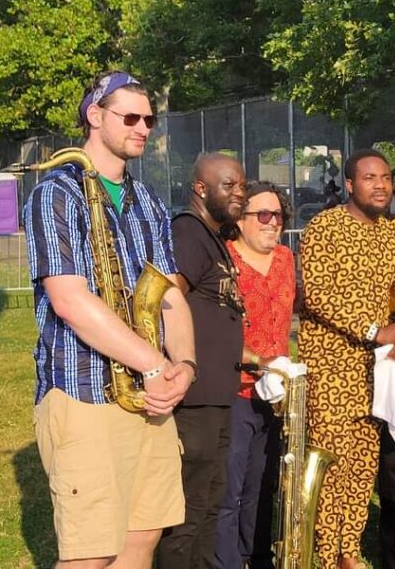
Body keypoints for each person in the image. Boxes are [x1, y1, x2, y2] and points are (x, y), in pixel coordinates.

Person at [24, 70, 197, 568]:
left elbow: (171, 299)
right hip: (83, 393)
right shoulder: (55, 194)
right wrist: (152, 364)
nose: (143, 127)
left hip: (151, 396)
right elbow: (70, 301)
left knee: (141, 540)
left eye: (149, 118)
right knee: (90, 555)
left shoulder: (148, 202)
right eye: (130, 117)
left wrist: (183, 365)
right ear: (94, 117)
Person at [298, 149, 395, 569]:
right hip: (332, 367)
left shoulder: (392, 234)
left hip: (379, 373)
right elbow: (317, 295)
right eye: (370, 178)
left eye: (386, 178)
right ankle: (323, 553)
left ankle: (348, 550)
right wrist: (376, 330)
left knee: (363, 464)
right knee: (331, 464)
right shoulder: (325, 227)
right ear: (350, 185)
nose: (381, 186)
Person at [157, 153, 248, 569]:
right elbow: (166, 301)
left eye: (242, 186)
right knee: (188, 512)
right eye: (228, 185)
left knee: (212, 502)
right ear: (200, 189)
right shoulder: (188, 233)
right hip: (194, 399)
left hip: (219, 395)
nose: (239, 193)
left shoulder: (216, 239)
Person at [215, 181, 297, 569]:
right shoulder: (223, 260)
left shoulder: (285, 258)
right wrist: (260, 361)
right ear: (241, 220)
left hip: (275, 395)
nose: (272, 222)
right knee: (230, 490)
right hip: (234, 390)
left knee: (263, 486)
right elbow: (213, 331)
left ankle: (258, 557)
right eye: (262, 215)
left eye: (278, 215)